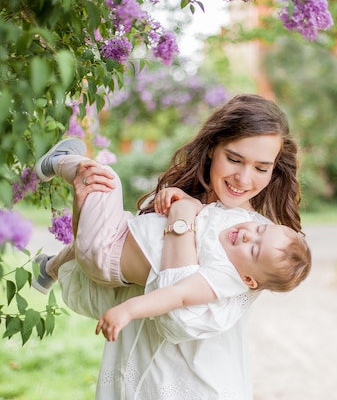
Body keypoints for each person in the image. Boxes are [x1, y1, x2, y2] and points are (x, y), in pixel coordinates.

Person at [47, 94, 304, 400]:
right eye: (234, 159)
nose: (245, 178)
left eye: (262, 168)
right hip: (136, 382)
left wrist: (182, 222)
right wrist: (85, 202)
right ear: (211, 149)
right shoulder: (198, 212)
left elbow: (178, 321)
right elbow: (101, 275)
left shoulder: (253, 248)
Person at [33, 140, 311, 343]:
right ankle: (48, 271)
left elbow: (176, 295)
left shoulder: (222, 276)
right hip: (122, 232)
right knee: (100, 206)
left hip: (107, 254)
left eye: (254, 248)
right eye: (260, 230)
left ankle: (58, 161)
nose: (249, 234)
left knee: (106, 180)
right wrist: (177, 197)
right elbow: (198, 213)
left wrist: (126, 311)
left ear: (248, 280)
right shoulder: (232, 225)